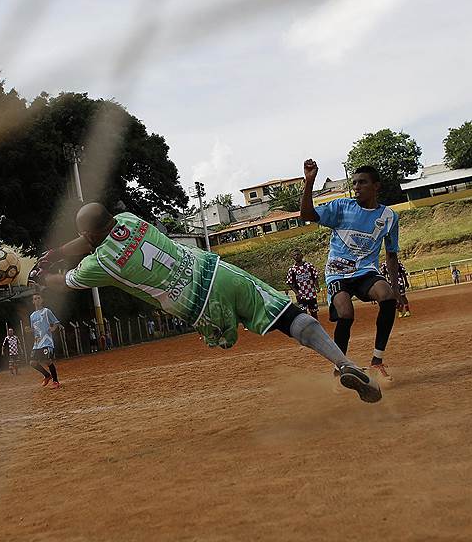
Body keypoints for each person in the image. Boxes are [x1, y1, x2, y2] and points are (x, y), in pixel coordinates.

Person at [30, 202, 382, 403]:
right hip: (215, 270)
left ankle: (339, 364)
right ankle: (344, 362)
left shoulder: (101, 263)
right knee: (288, 316)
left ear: (90, 237)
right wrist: (56, 252)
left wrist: (42, 275)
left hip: (197, 304)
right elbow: (93, 234)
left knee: (225, 337)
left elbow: (71, 279)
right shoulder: (128, 220)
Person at [300, 160, 401, 381]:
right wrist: (309, 182)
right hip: (337, 272)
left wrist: (397, 289)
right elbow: (307, 215)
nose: (356, 186)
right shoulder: (341, 207)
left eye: (362, 182)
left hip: (365, 272)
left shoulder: (389, 217)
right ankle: (340, 369)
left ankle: (377, 361)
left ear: (376, 186)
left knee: (386, 295)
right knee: (346, 313)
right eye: (354, 182)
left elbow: (391, 254)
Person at [29, 292, 62, 389]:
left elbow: (56, 322)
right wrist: (29, 330)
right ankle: (47, 375)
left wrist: (53, 328)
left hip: (47, 341)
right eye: (35, 299)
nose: (37, 300)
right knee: (32, 363)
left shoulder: (47, 311)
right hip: (37, 343)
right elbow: (34, 329)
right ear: (33, 302)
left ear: (42, 300)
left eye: (38, 298)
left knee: (47, 360)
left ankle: (55, 381)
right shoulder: (32, 316)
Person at [285, 250, 320, 319]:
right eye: (294, 255)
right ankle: (307, 328)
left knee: (314, 313)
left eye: (298, 254)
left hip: (311, 293)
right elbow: (290, 282)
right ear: (293, 257)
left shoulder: (309, 266)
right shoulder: (292, 269)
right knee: (304, 313)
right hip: (301, 295)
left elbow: (315, 277)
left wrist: (317, 287)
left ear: (302, 255)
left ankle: (316, 327)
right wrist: (297, 293)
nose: (296, 256)